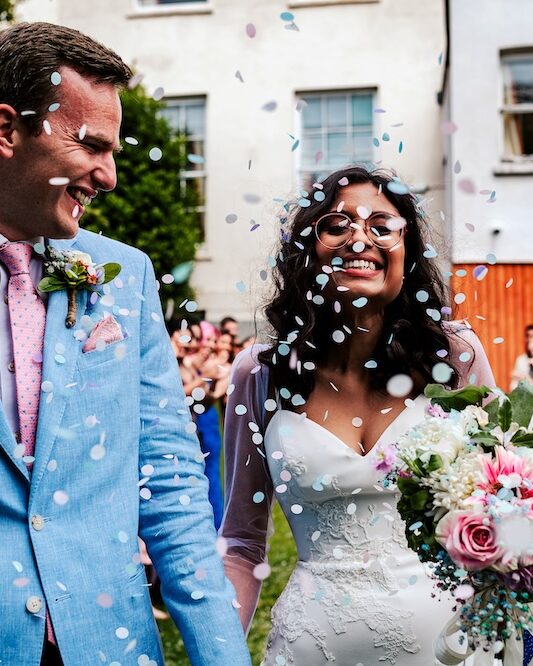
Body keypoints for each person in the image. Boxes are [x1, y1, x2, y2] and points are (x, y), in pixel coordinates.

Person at [0, 22, 250, 666]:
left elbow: (167, 478)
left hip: (107, 645)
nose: (109, 176)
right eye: (90, 146)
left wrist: (222, 656)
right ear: (7, 131)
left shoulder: (124, 275)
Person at [220, 165, 496, 665]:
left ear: (408, 253)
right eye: (336, 224)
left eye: (381, 226)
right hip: (312, 648)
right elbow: (241, 543)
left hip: (451, 650)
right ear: (309, 248)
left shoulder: (456, 359)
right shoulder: (260, 373)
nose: (359, 239)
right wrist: (218, 654)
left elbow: (506, 510)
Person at [510, 324, 533, 390]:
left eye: (532, 336)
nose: (530, 340)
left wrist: (525, 378)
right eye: (528, 336)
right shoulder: (521, 360)